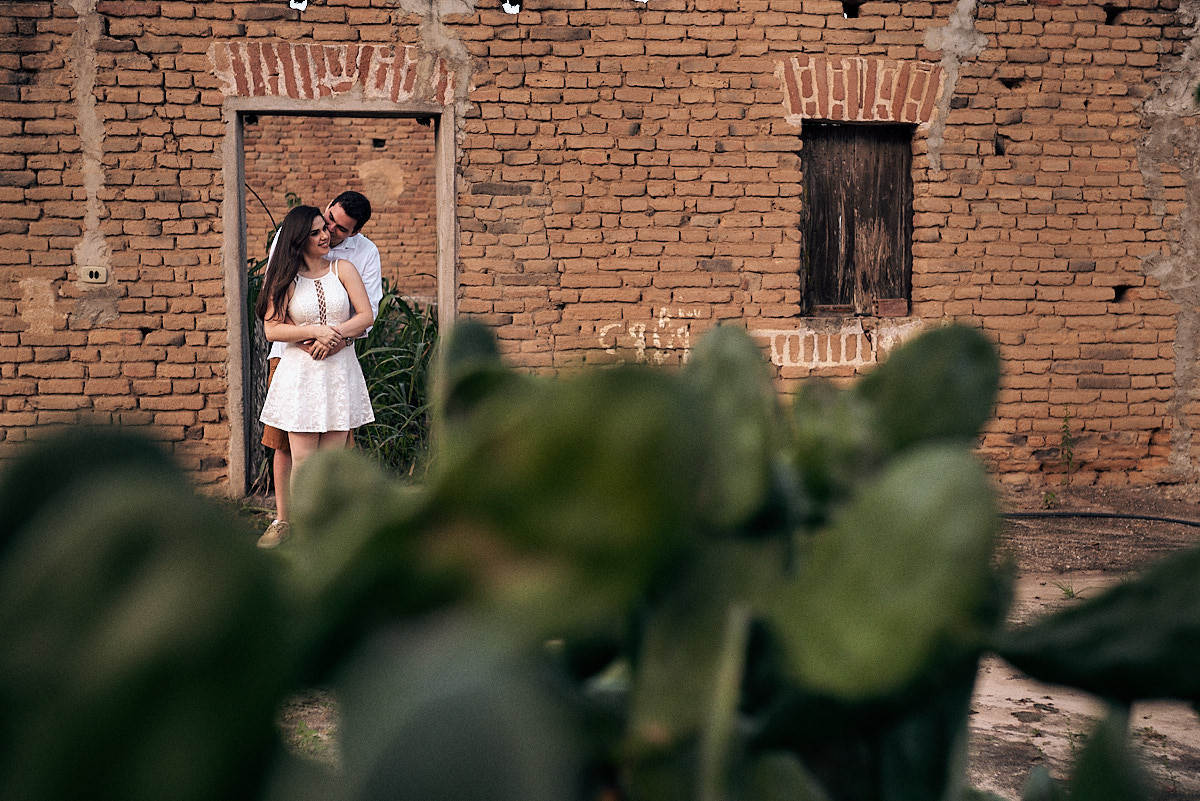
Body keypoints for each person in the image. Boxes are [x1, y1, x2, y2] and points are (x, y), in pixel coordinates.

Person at [258, 191, 382, 548]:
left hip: (339, 362)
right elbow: (274, 322)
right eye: (324, 224)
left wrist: (335, 338)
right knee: (286, 447)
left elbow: (366, 311)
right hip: (292, 360)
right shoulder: (289, 256)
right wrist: (314, 333)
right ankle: (286, 521)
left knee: (335, 454)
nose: (328, 232)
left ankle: (332, 528)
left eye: (338, 230)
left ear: (353, 233)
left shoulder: (359, 257)